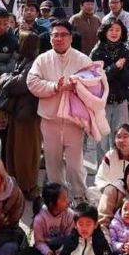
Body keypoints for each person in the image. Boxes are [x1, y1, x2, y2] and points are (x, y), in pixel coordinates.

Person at [28, 20, 100, 199]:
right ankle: (57, 200)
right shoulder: (42, 59)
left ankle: (79, 196)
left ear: (71, 38)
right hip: (50, 119)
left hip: (74, 121)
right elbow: (32, 83)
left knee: (75, 165)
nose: (59, 39)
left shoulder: (82, 59)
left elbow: (95, 86)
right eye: (55, 35)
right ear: (50, 38)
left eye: (63, 35)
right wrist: (54, 87)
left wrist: (76, 87)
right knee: (53, 164)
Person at [0, 31, 44, 202]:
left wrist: (4, 78)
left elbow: (19, 85)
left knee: (25, 152)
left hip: (27, 115)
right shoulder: (23, 60)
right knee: (15, 150)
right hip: (18, 112)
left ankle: (28, 185)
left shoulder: (33, 64)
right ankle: (17, 184)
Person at [18, 182, 74, 255]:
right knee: (24, 254)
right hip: (47, 249)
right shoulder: (39, 219)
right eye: (63, 199)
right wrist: (48, 253)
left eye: (67, 198)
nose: (68, 201)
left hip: (63, 248)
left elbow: (70, 237)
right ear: (52, 204)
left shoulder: (69, 214)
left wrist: (62, 249)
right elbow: (39, 242)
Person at [90, 19, 129, 142]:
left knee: (121, 139)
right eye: (111, 30)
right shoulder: (97, 51)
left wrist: (122, 70)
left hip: (121, 100)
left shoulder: (126, 50)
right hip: (102, 102)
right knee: (102, 140)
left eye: (117, 30)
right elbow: (94, 79)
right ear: (105, 31)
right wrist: (114, 68)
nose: (114, 33)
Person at [89, 123, 129, 204]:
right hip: (112, 194)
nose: (121, 140)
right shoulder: (110, 155)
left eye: (125, 136)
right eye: (118, 137)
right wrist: (111, 188)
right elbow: (99, 178)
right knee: (90, 191)